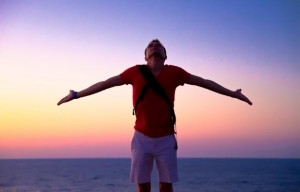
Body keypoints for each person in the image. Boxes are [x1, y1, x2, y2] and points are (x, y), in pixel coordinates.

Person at [57, 39, 252, 192]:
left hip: (166, 139)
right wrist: (76, 95)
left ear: (166, 55)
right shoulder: (135, 72)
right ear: (145, 55)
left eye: (159, 45)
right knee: (143, 187)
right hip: (141, 138)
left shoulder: (175, 72)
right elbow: (105, 83)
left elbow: (204, 82)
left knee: (166, 186)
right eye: (151, 45)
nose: (155, 46)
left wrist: (233, 94)